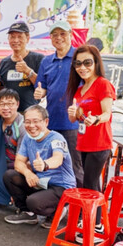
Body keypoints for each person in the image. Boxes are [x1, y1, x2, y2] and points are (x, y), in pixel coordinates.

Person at [66, 44, 115, 243]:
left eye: (87, 62)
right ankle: (96, 223)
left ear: (95, 63)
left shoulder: (102, 84)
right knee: (91, 184)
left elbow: (107, 113)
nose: (82, 67)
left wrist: (95, 119)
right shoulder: (80, 89)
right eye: (78, 63)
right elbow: (77, 118)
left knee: (91, 186)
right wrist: (74, 115)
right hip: (84, 143)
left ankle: (95, 227)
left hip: (100, 142)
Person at [3, 105, 76, 228]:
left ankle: (58, 210)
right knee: (10, 176)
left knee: (33, 202)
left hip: (61, 186)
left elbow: (57, 159)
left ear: (46, 122)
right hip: (42, 182)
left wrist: (45, 164)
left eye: (36, 121)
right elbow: (18, 162)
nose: (31, 126)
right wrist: (28, 173)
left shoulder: (57, 138)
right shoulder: (28, 138)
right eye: (27, 122)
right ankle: (28, 214)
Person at [34, 20, 83, 188]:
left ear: (70, 35)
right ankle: (58, 204)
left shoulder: (80, 58)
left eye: (63, 34)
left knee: (75, 166)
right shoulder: (47, 61)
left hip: (73, 123)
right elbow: (43, 87)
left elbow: (91, 85)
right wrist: (41, 92)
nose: (59, 38)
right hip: (51, 122)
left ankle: (79, 209)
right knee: (54, 165)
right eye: (54, 35)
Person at [0, 21, 44, 112]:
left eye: (19, 36)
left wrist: (28, 71)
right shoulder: (4, 62)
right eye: (12, 37)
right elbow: (1, 88)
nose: (16, 40)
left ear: (27, 38)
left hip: (30, 113)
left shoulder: (38, 59)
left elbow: (43, 86)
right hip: (9, 113)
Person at [0, 88, 26, 170]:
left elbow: (22, 159)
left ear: (17, 104)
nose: (5, 108)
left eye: (10, 104)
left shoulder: (23, 125)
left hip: (16, 167)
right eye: (1, 104)